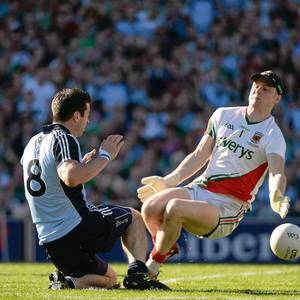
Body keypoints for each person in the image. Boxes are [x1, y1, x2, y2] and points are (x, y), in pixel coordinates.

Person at [138, 70, 290, 276]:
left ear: (277, 98)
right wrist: (169, 180)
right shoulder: (223, 114)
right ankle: (167, 245)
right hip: (200, 188)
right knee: (149, 208)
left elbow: (276, 172)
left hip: (228, 205)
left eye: (266, 89)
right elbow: (200, 155)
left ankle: (152, 268)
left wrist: (276, 194)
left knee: (174, 208)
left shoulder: (273, 134)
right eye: (256, 86)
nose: (258, 91)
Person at [21, 88, 169, 290]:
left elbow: (51, 180)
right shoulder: (63, 137)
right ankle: (139, 274)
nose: (87, 121)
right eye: (87, 115)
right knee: (134, 217)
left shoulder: (32, 143)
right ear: (76, 115)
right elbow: (71, 177)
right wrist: (105, 155)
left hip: (50, 240)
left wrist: (83, 164)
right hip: (76, 226)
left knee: (110, 280)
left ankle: (68, 283)